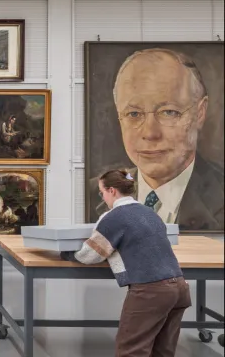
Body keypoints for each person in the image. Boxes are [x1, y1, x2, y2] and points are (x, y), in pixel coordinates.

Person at [90, 48, 223, 231]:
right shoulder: (92, 193)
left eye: (168, 112)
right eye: (134, 114)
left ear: (199, 113)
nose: (150, 133)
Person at [63, 169, 190, 357]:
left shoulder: (114, 217)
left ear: (112, 190)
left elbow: (91, 254)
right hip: (179, 288)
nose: (103, 197)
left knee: (131, 350)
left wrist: (68, 255)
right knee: (162, 351)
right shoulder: (149, 213)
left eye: (102, 192)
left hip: (152, 291)